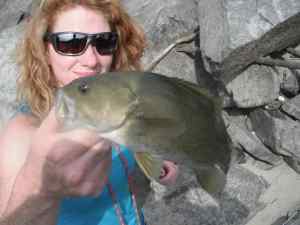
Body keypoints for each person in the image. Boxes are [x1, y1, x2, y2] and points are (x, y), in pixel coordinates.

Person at [0, 0, 178, 225]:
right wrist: (41, 186)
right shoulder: (23, 133)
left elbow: (142, 153)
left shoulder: (118, 105)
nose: (92, 60)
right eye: (71, 43)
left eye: (104, 42)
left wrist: (158, 162)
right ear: (44, 50)